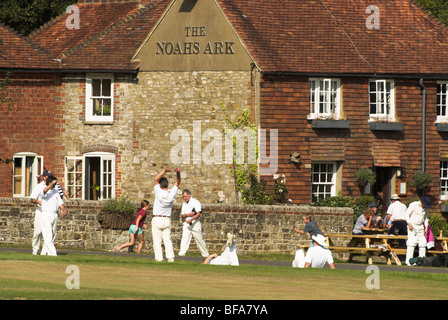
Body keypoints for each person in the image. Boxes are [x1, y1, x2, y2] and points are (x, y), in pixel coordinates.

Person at [151, 166, 180, 262]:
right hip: (166, 219)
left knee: (157, 241)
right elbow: (178, 182)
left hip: (157, 218)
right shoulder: (171, 193)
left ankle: (159, 258)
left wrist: (164, 171)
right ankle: (170, 258)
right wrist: (177, 173)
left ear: (160, 185)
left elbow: (155, 179)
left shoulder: (158, 190)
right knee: (167, 240)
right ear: (167, 185)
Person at [39, 175, 67, 256]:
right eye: (54, 183)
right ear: (50, 183)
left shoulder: (55, 191)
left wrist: (63, 209)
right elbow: (44, 191)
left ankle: (44, 253)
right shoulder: (43, 189)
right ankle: (53, 253)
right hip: (46, 214)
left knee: (53, 234)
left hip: (54, 214)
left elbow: (60, 202)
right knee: (48, 235)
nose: (55, 185)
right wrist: (51, 184)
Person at [178, 189, 209, 258]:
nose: (184, 198)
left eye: (185, 196)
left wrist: (191, 219)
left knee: (199, 240)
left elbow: (198, 213)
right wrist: (188, 215)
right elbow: (182, 215)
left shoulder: (195, 202)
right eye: (183, 197)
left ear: (189, 195)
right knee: (184, 239)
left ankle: (205, 255)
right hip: (187, 223)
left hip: (195, 223)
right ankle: (181, 255)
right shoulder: (184, 204)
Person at [30, 170, 53, 255]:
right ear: (43, 177)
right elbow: (32, 199)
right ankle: (35, 250)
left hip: (50, 211)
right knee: (38, 231)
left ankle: (46, 251)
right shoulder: (39, 187)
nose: (49, 177)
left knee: (49, 232)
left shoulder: (54, 187)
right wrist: (38, 202)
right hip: (40, 211)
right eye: (48, 176)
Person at [405, 196, 431, 266]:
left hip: (420, 227)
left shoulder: (426, 208)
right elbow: (406, 214)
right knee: (412, 242)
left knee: (423, 242)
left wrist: (426, 227)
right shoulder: (413, 205)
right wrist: (409, 223)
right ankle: (408, 261)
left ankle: (422, 261)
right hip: (412, 226)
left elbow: (426, 218)